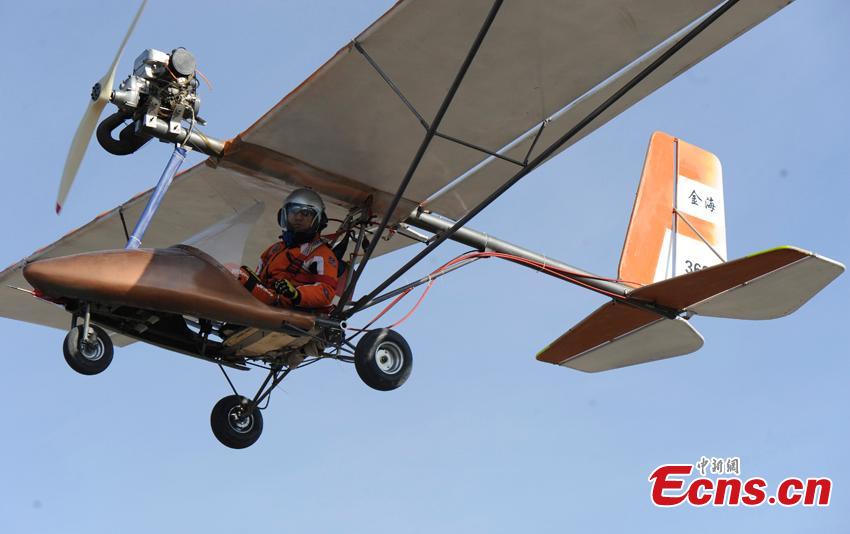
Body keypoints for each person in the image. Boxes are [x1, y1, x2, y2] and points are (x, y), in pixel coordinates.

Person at [238, 188, 339, 310]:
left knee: (236, 273)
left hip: (285, 305)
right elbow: (260, 278)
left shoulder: (321, 253)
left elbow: (326, 292)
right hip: (265, 299)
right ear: (285, 215)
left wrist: (296, 294)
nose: (298, 217)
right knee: (232, 272)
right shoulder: (275, 249)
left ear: (316, 219)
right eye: (294, 211)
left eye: (306, 213)